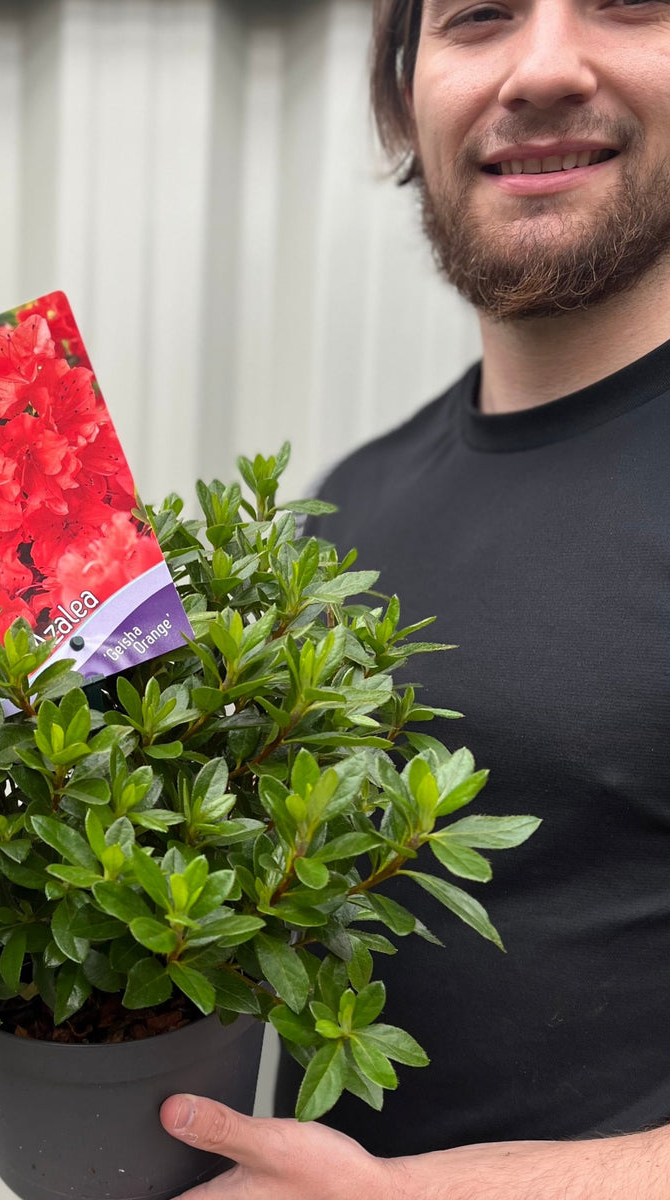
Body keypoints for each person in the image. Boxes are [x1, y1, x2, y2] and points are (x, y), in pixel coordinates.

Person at [158, 0, 670, 1194]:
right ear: (404, 98)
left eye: (628, 3)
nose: (543, 65)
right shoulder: (350, 508)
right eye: (480, 17)